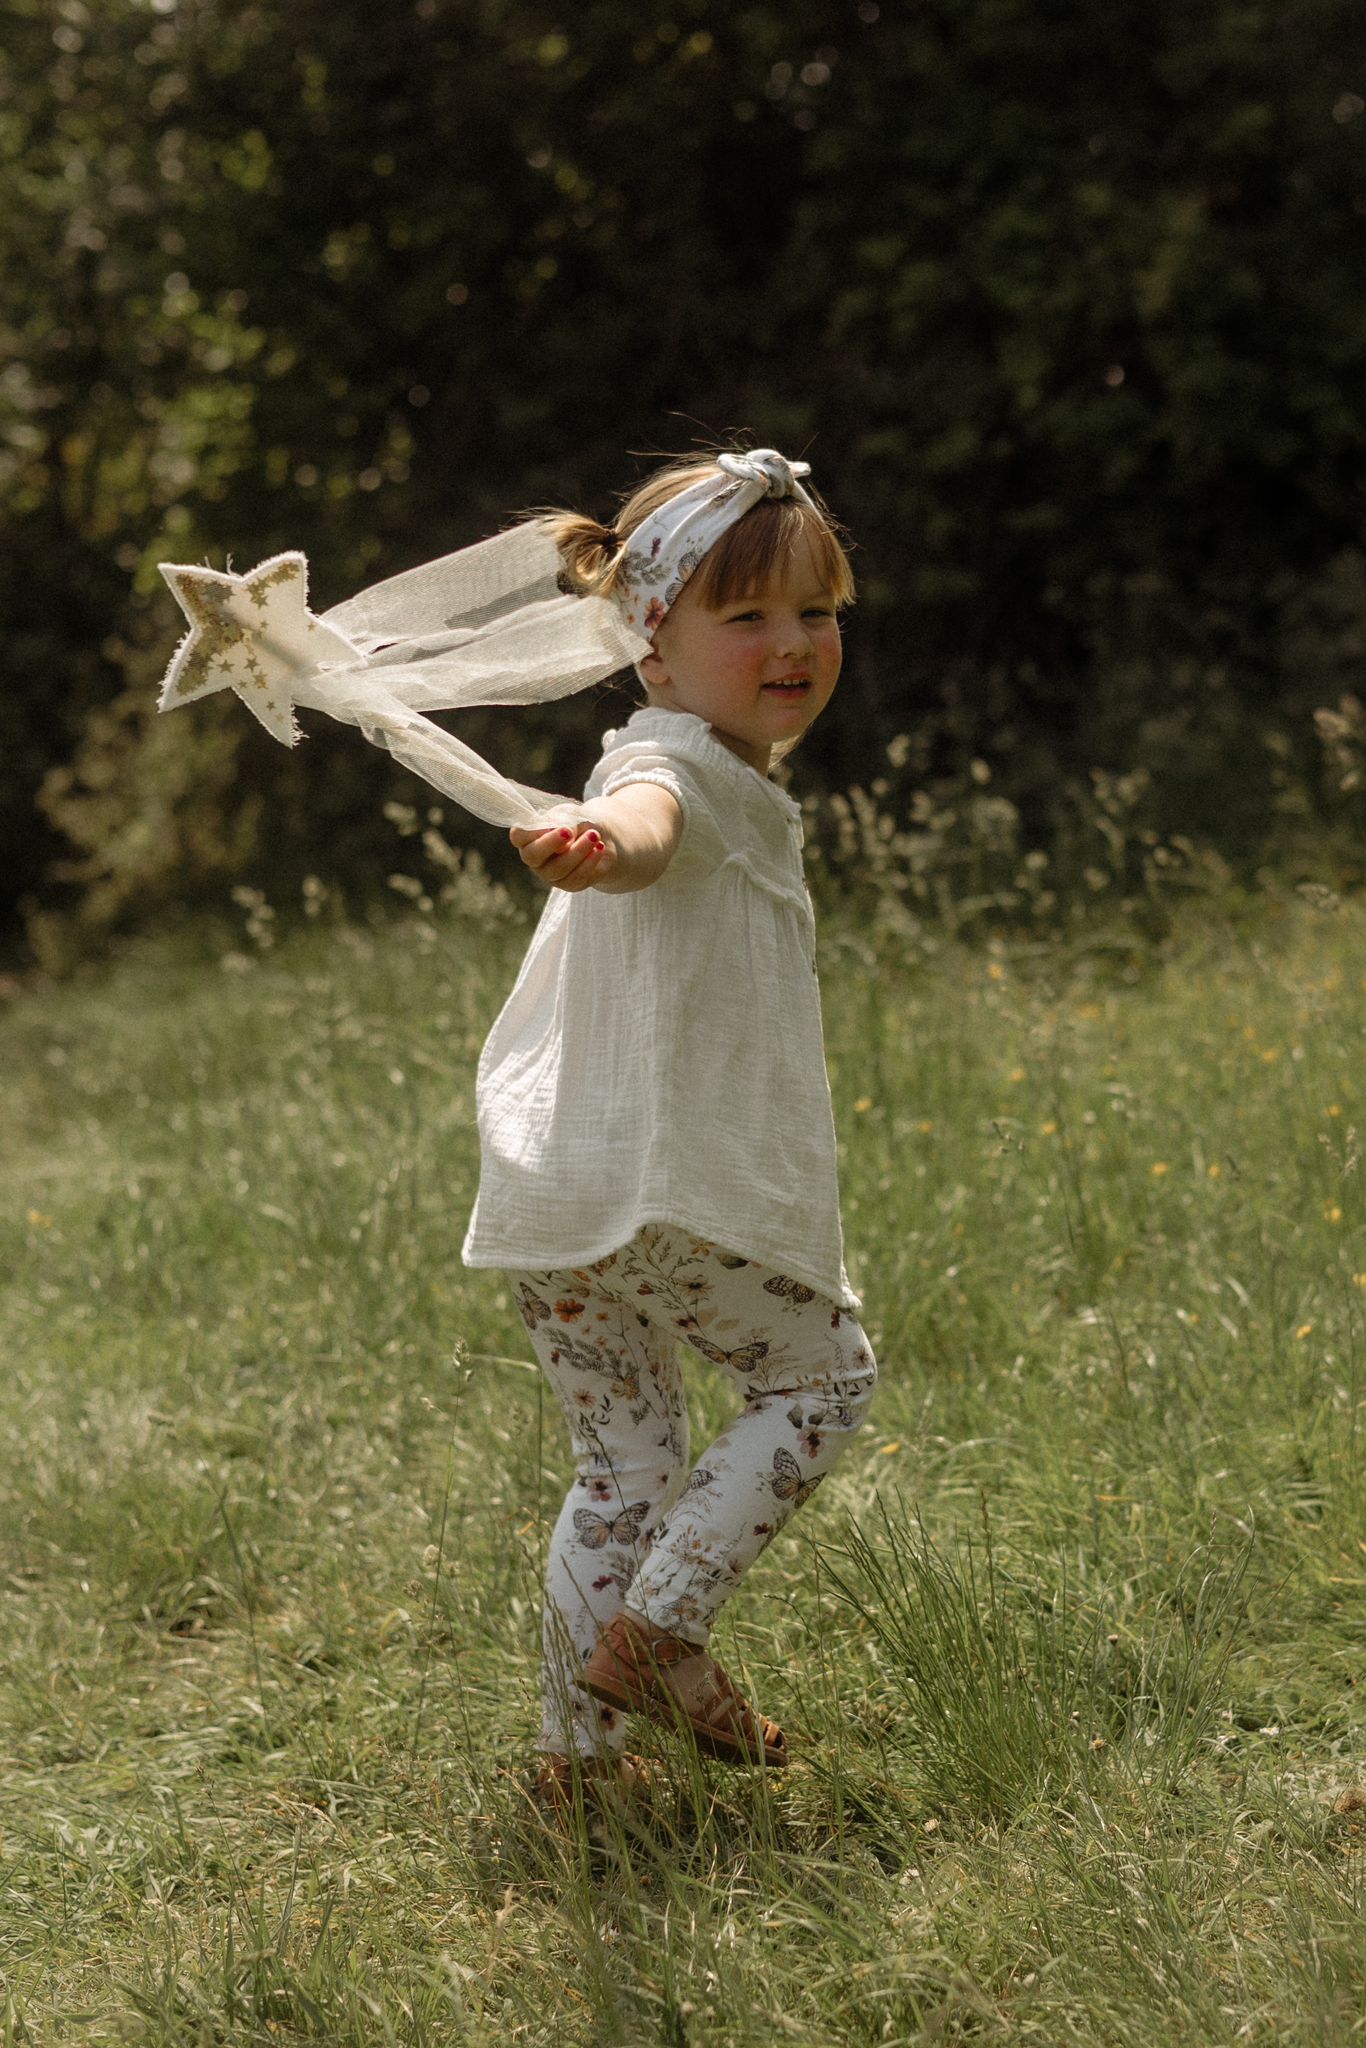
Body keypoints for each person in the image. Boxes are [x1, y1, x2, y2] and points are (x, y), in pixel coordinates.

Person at [457, 448, 879, 1818]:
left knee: (621, 1467)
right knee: (820, 1384)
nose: (791, 645)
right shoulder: (669, 763)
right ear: (652, 645)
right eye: (744, 618)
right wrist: (600, 845)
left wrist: (609, 838)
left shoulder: (701, 761)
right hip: (658, 1193)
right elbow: (644, 826)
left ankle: (571, 1768)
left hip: (556, 1195)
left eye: (813, 611)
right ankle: (660, 1633)